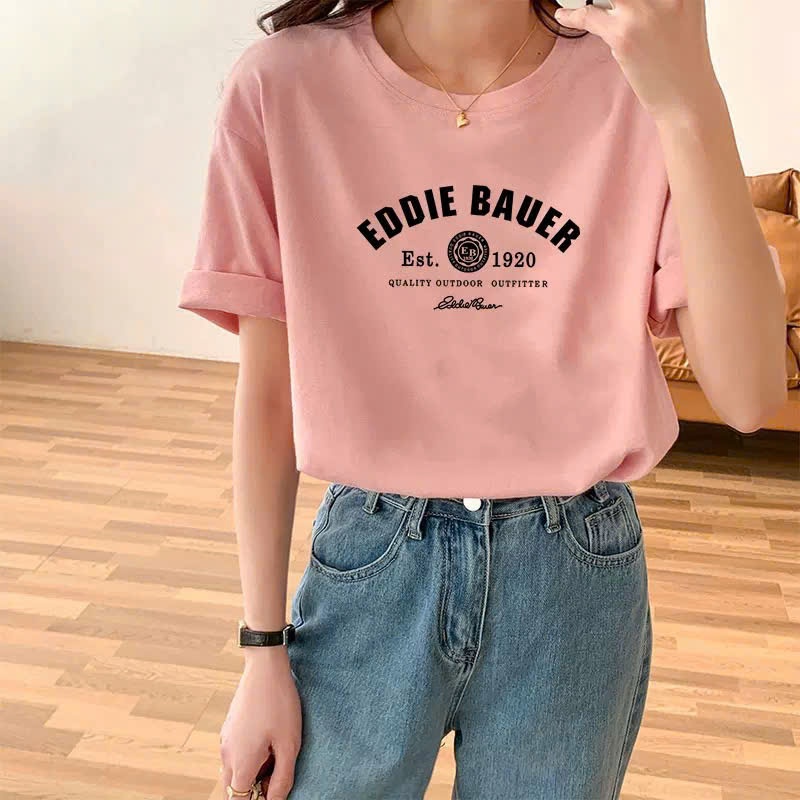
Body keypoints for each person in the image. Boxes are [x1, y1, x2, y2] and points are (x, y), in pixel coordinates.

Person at [177, 1, 788, 798]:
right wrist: (261, 652)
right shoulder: (282, 86)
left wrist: (692, 98)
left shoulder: (631, 79)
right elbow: (268, 396)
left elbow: (749, 394)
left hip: (573, 573)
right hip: (373, 560)